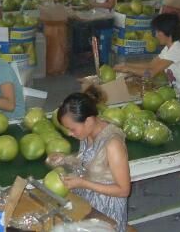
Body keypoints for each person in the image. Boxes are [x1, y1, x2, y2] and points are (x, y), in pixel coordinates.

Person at [55, 88, 130, 232]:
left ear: (88, 121)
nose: (70, 134)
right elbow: (89, 159)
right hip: (86, 201)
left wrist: (83, 183)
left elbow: (123, 190)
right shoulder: (87, 133)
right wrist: (65, 159)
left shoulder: (112, 144)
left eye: (72, 129)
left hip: (107, 212)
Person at [115, 13, 180, 96]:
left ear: (168, 32)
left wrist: (129, 69)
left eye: (158, 31)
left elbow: (151, 72)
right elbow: (150, 64)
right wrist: (126, 65)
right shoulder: (168, 49)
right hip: (179, 92)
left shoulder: (176, 50)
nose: (155, 35)